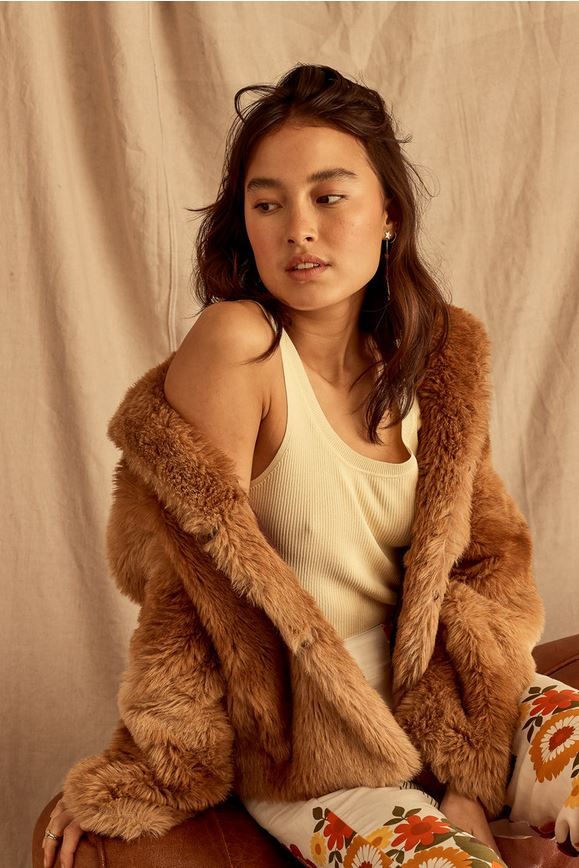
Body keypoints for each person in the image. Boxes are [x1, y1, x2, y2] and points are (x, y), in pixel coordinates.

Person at [42, 64, 579, 868]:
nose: (298, 228)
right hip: (315, 757)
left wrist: (465, 771)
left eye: (328, 197)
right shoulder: (238, 347)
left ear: (387, 212)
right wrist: (148, 766)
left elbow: (486, 562)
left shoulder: (435, 357)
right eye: (267, 204)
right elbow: (188, 585)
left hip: (456, 705)